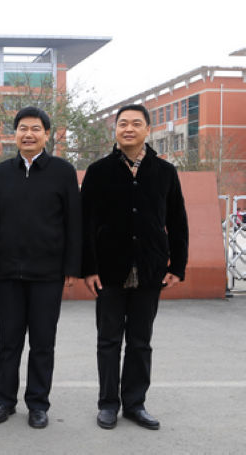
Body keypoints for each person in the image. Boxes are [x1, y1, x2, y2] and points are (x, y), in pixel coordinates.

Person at [82, 104, 188, 431]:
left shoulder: (165, 172)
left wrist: (177, 265)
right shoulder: (98, 171)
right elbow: (86, 223)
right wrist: (89, 268)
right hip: (108, 271)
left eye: (136, 123)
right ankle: (107, 404)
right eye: (123, 123)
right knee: (108, 341)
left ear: (147, 130)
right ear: (115, 129)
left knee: (141, 341)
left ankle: (135, 403)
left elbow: (177, 221)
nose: (128, 128)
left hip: (149, 268)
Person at [0, 106, 81, 429]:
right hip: (9, 273)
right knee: (8, 342)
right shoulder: (1, 173)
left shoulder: (63, 172)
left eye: (35, 129)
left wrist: (71, 266)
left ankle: (38, 404)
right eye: (23, 128)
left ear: (46, 134)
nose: (28, 134)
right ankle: (4, 401)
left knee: (42, 343)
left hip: (48, 274)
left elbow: (74, 222)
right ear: (14, 134)